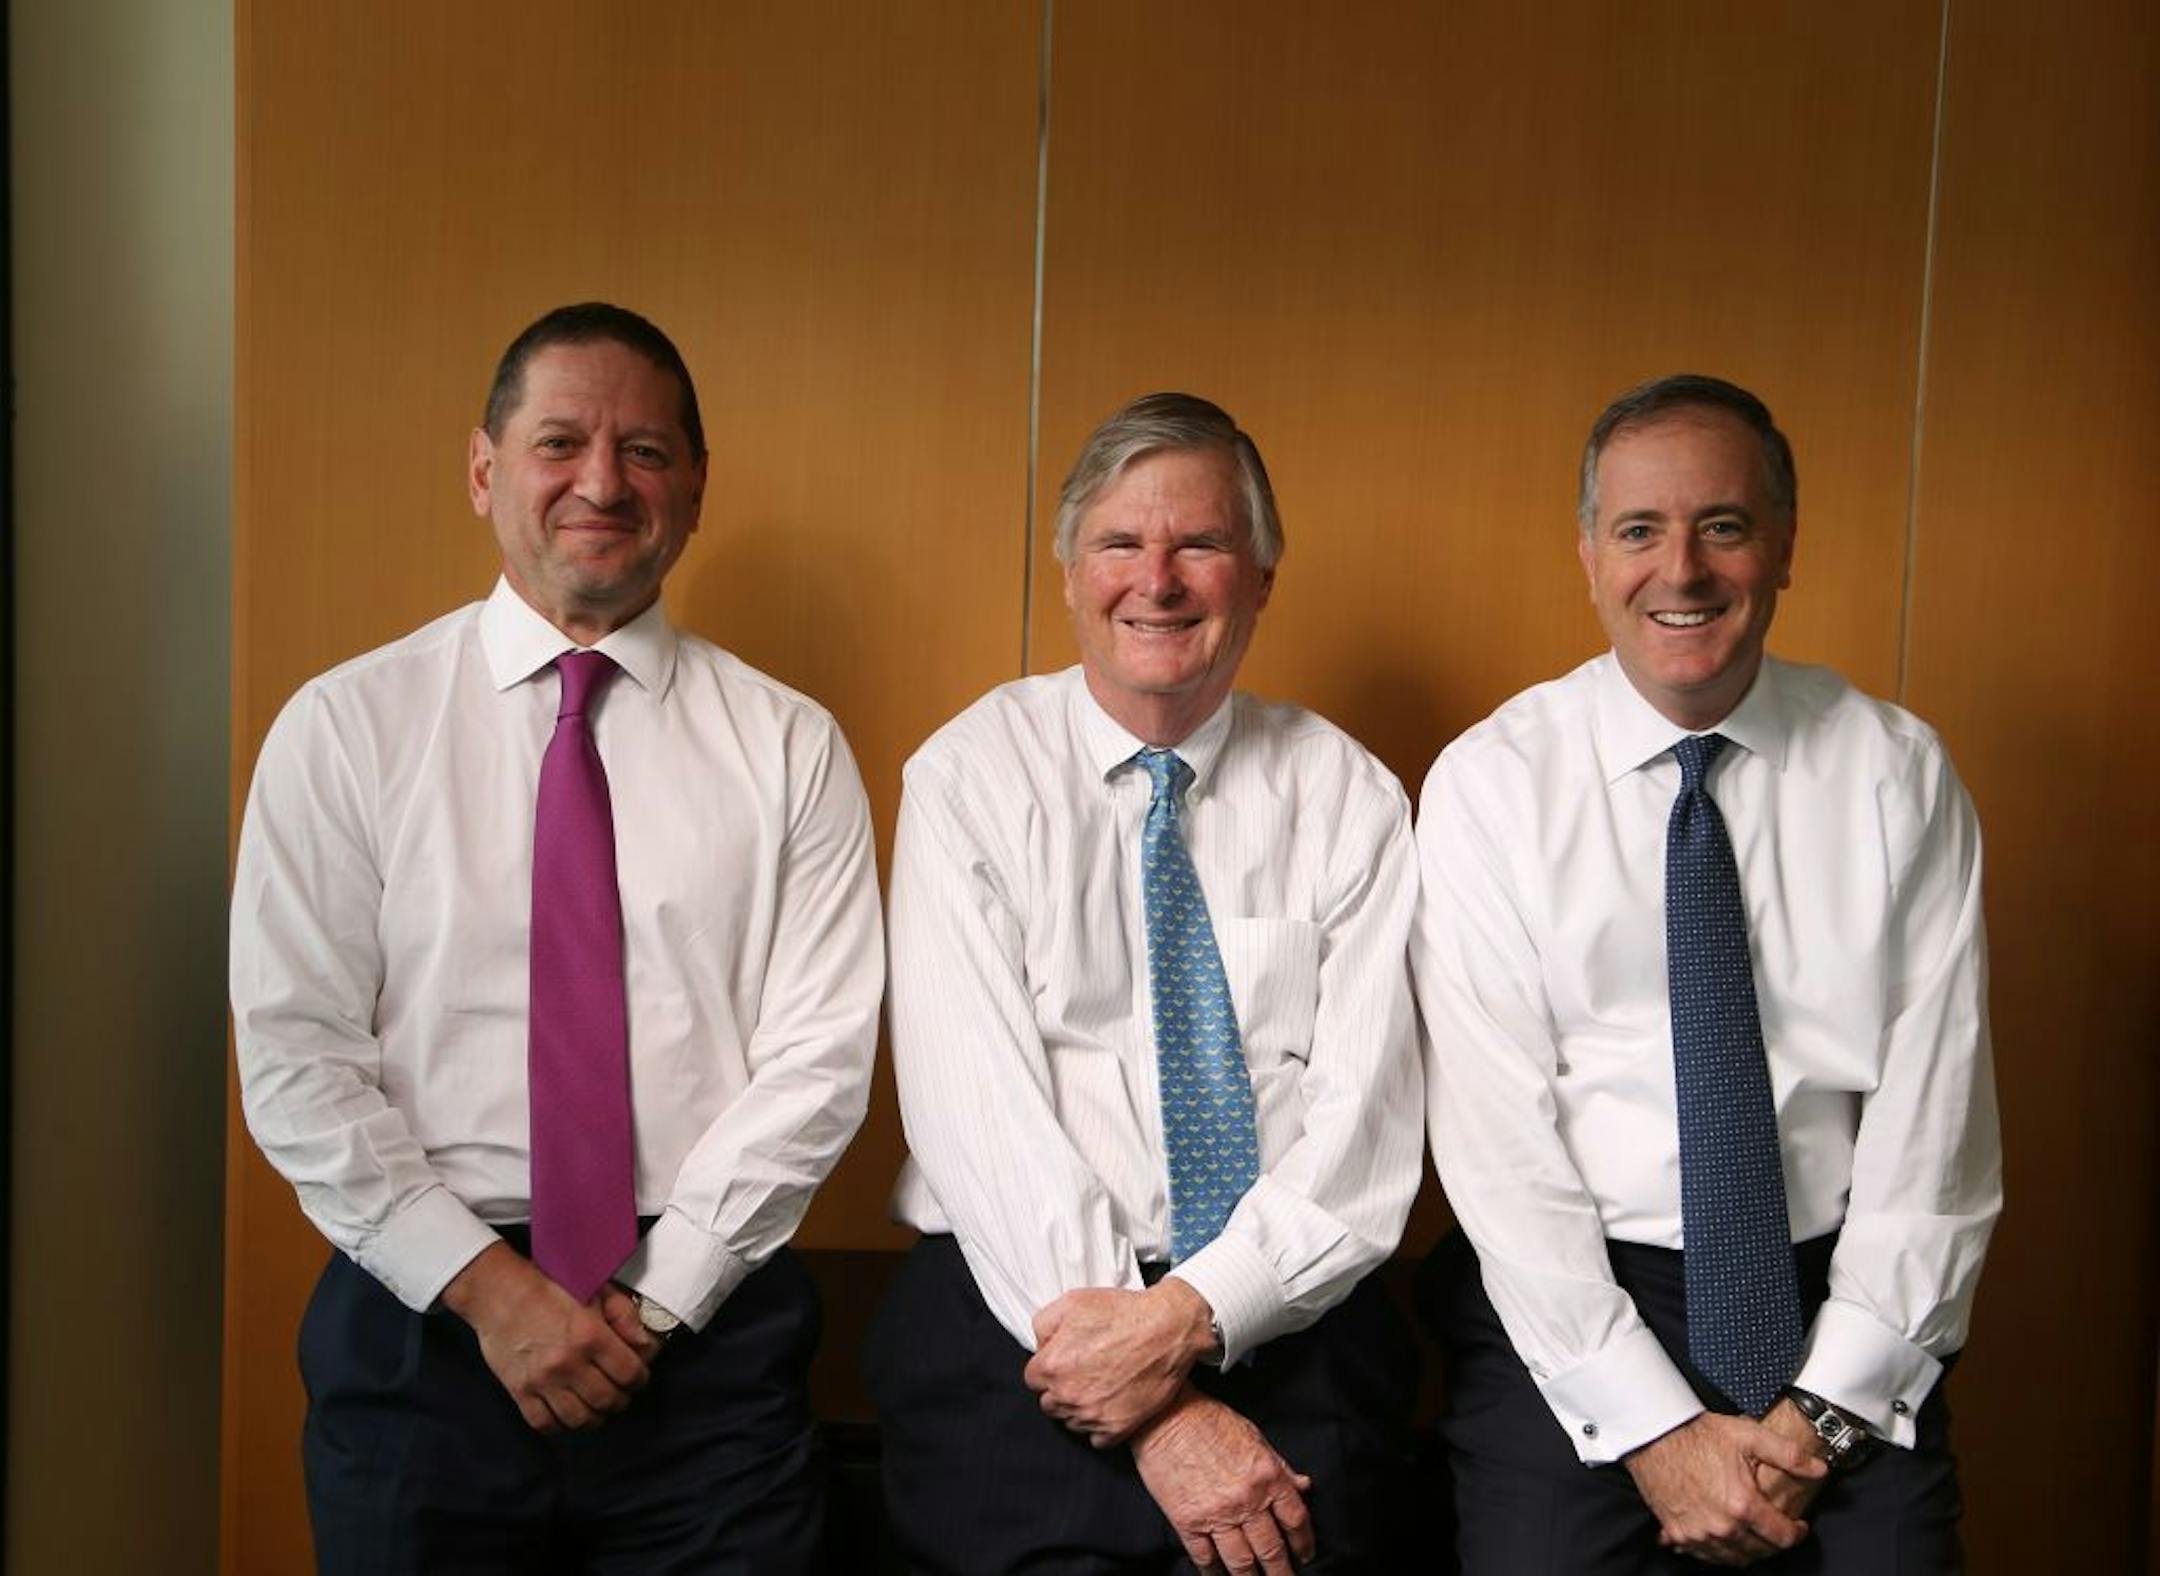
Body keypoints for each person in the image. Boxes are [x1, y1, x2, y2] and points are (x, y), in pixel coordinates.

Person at [231, 301, 883, 1572]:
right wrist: (490, 1290)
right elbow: (296, 1057)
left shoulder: (790, 746)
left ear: (695, 487)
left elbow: (822, 1060)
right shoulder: (346, 728)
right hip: (424, 1326)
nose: (603, 481)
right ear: (484, 471)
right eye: (560, 442)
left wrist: (657, 1298)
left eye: (645, 451)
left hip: (705, 1334)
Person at [1413, 373, 2001, 1572]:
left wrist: (1821, 1414)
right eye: (1639, 529)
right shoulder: (1492, 786)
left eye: (1721, 526)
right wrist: (1653, 1430)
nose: (1679, 570)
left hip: (1841, 1292)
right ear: (1590, 555)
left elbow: (1934, 1136)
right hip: (1577, 1296)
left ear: (1783, 546)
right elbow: (1499, 1156)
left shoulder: (1896, 775)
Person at [868, 392, 1423, 1574]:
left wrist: (1187, 1318)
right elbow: (979, 1120)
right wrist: (1157, 1400)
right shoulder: (969, 778)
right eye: (1120, 542)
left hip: (1293, 1320)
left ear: (1261, 577)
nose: (1156, 581)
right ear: (1071, 572)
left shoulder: (1350, 798)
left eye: (1200, 544)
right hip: (1017, 1312)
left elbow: (1365, 1131)